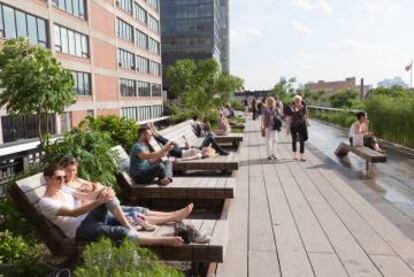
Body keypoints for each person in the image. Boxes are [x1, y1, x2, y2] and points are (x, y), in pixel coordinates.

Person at [38, 164, 184, 246]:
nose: (62, 180)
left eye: (63, 177)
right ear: (47, 179)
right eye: (58, 178)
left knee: (109, 198)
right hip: (79, 229)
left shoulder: (63, 189)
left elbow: (85, 196)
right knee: (119, 232)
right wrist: (99, 201)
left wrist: (103, 193)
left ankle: (128, 225)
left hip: (89, 217)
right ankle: (164, 241)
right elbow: (74, 213)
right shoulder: (46, 202)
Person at [60, 156, 197, 231]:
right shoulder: (65, 185)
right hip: (94, 212)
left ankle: (172, 214)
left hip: (101, 204)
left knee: (137, 209)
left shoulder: (77, 179)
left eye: (74, 170)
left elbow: (98, 186)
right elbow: (87, 196)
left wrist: (95, 188)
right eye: (69, 170)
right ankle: (172, 218)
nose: (72, 173)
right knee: (133, 215)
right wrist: (95, 190)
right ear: (62, 170)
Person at [148, 123, 214, 161]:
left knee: (167, 142)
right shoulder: (199, 151)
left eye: (205, 149)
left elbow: (190, 158)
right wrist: (185, 140)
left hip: (178, 153)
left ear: (205, 152)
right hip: (179, 150)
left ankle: (153, 132)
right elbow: (189, 148)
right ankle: (154, 131)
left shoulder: (199, 155)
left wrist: (180, 160)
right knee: (168, 141)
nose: (204, 147)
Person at [289, 95, 308, 161]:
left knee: (302, 141)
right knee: (294, 140)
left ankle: (302, 156)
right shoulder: (291, 107)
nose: (297, 102)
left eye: (299, 100)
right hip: (293, 126)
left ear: (301, 101)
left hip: (301, 126)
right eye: (296, 100)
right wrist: (288, 127)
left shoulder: (303, 108)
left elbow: (305, 116)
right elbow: (290, 117)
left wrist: (306, 123)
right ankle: (295, 156)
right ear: (294, 101)